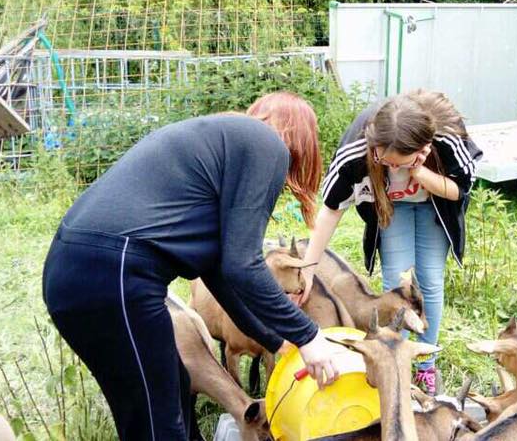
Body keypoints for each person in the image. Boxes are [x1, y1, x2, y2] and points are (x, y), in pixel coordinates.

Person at [42, 92, 344, 441]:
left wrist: (277, 340)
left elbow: (222, 273)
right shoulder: (265, 143)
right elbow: (243, 266)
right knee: (159, 425)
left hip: (76, 271)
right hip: (115, 272)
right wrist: (309, 336)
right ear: (301, 140)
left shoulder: (220, 149)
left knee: (166, 398)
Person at [301, 89, 482, 395]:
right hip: (391, 208)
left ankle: (425, 364)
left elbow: (458, 190)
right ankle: (394, 356)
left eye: (399, 163)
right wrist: (306, 271)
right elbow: (330, 213)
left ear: (424, 147)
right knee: (397, 279)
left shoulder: (446, 138)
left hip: (434, 203)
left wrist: (418, 172)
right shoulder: (355, 154)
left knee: (430, 280)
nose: (390, 167)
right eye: (384, 160)